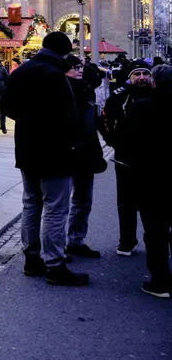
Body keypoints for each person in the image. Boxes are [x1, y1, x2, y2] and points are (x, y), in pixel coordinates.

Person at [1, 31, 87, 286]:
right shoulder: (55, 75)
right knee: (55, 207)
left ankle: (32, 258)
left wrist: (29, 120)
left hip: (26, 147)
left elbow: (6, 105)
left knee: (31, 203)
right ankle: (54, 264)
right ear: (64, 52)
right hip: (54, 150)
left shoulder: (21, 72)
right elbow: (68, 114)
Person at [124, 64, 172, 297]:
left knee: (155, 231)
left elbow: (127, 142)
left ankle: (160, 281)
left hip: (151, 179)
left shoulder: (142, 108)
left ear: (154, 82)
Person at [102, 59, 154, 256]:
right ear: (130, 77)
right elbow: (105, 119)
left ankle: (155, 241)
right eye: (137, 74)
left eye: (145, 74)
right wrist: (113, 141)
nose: (141, 78)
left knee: (153, 203)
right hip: (126, 158)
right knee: (126, 202)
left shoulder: (158, 94)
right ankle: (127, 240)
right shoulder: (120, 96)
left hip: (153, 158)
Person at [64, 54, 106, 259]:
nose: (79, 70)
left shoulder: (86, 91)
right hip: (66, 153)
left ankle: (76, 240)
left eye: (80, 67)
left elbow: (96, 77)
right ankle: (56, 246)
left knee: (83, 200)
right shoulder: (60, 92)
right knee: (59, 204)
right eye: (75, 67)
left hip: (86, 153)